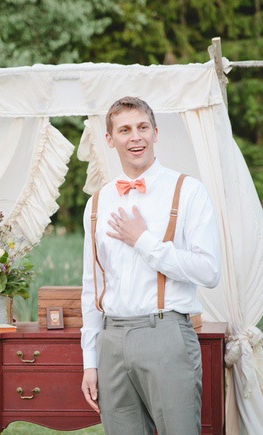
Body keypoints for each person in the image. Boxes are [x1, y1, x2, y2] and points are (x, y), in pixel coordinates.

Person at [80, 96, 221, 434]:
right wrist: (90, 361)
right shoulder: (97, 202)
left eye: (143, 127)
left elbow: (209, 271)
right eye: (125, 130)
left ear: (156, 133)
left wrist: (144, 241)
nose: (136, 137)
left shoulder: (188, 191)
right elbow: (93, 286)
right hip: (112, 341)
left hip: (166, 334)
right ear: (110, 140)